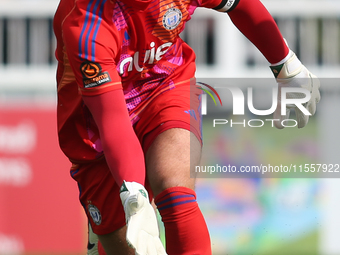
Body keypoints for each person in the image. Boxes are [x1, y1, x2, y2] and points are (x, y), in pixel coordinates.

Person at [53, 0, 320, 254]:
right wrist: (134, 195)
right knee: (126, 239)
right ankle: (103, 231)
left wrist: (286, 65)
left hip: (164, 84)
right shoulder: (86, 23)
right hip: (93, 122)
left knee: (174, 188)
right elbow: (113, 120)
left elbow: (240, 4)